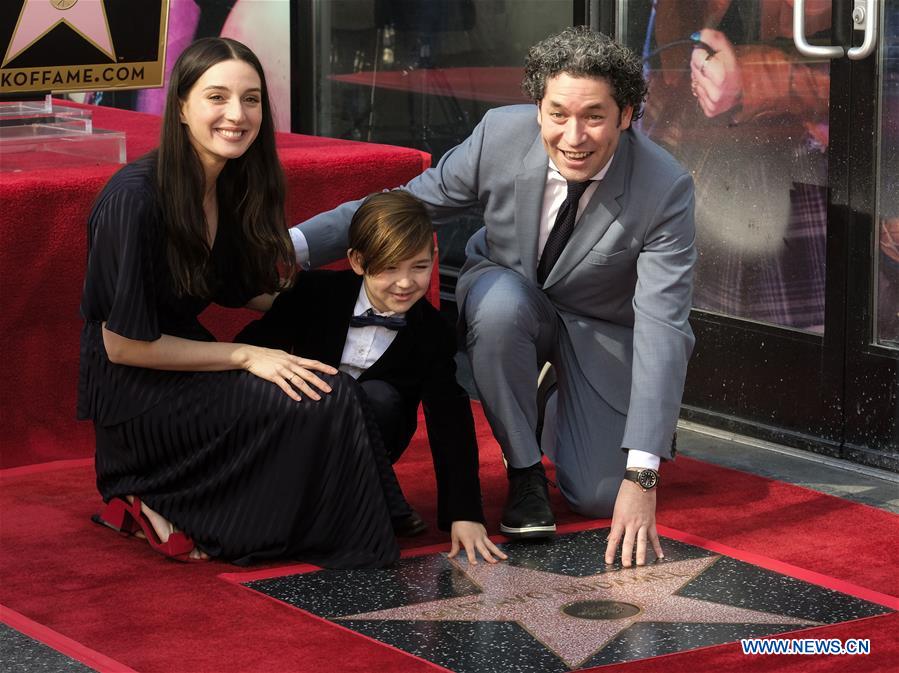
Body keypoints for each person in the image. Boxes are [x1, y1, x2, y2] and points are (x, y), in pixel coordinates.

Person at [292, 27, 696, 568]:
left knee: (598, 496)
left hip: (603, 326)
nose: (574, 135)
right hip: (509, 296)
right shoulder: (498, 136)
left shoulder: (664, 186)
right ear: (538, 108)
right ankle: (524, 471)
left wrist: (643, 474)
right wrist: (290, 247)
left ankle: (555, 400)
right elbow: (402, 206)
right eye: (557, 113)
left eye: (594, 116)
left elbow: (662, 327)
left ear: (626, 115)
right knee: (500, 308)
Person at [78, 37, 405, 568]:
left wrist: (366, 296)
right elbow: (121, 346)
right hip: (136, 395)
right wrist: (247, 356)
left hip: (186, 369)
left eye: (251, 99)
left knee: (332, 386)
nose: (237, 114)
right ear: (180, 106)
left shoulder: (229, 184)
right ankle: (149, 490)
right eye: (217, 97)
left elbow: (247, 290)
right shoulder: (132, 200)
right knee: (327, 396)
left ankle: (360, 524)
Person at [237, 191, 506, 564]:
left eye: (419, 267)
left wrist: (465, 514)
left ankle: (363, 500)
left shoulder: (431, 332)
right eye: (390, 268)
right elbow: (250, 349)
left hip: (374, 439)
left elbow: (451, 422)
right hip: (297, 434)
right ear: (358, 262)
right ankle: (380, 500)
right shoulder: (316, 293)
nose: (405, 283)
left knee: (376, 395)